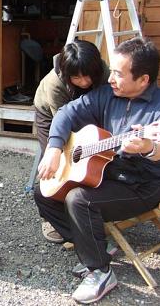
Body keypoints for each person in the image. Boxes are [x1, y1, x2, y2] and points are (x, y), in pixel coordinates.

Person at [35, 37, 160, 304]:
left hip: (141, 185)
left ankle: (100, 272)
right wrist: (55, 148)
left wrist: (148, 147)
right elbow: (65, 114)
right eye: (111, 70)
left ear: (143, 80)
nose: (110, 78)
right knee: (43, 191)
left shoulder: (158, 110)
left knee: (78, 199)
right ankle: (95, 244)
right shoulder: (107, 94)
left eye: (118, 73)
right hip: (107, 172)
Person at [33, 40, 109, 243]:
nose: (84, 82)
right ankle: (50, 217)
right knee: (56, 164)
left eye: (88, 76)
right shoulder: (54, 84)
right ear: (68, 75)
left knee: (87, 162)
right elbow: (64, 121)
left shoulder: (103, 72)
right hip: (51, 115)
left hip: (89, 111)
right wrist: (55, 150)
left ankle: (84, 209)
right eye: (77, 78)